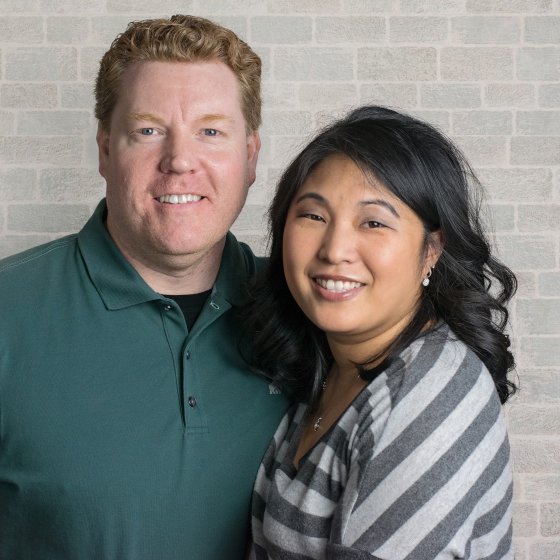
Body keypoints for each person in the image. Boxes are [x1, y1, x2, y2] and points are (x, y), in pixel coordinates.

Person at [0, 15, 289, 560]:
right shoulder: (7, 314)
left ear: (250, 156)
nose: (179, 161)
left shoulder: (308, 309)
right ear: (105, 151)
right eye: (148, 131)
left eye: (210, 131)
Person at [246, 105, 517, 559]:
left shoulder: (428, 391)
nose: (335, 250)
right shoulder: (331, 365)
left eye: (373, 222)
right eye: (313, 216)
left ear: (431, 250)